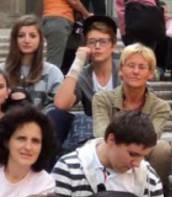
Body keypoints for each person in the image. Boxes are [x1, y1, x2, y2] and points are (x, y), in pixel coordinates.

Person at [91, 43, 172, 197]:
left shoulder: (161, 106)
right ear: (121, 70)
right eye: (131, 66)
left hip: (142, 155)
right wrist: (123, 148)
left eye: (142, 67)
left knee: (162, 148)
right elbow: (101, 133)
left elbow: (150, 139)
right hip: (110, 150)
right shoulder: (102, 99)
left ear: (150, 73)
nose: (136, 71)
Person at [49, 15, 120, 150]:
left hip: (124, 126)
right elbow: (61, 104)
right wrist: (78, 63)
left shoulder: (124, 70)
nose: (97, 46)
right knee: (55, 115)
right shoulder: (84, 75)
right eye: (92, 42)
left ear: (113, 46)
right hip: (92, 130)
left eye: (103, 42)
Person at [1, 15, 64, 108]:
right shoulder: (0, 71)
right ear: (14, 39)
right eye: (21, 36)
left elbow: (56, 108)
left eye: (32, 36)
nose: (26, 40)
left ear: (40, 40)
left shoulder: (52, 73)